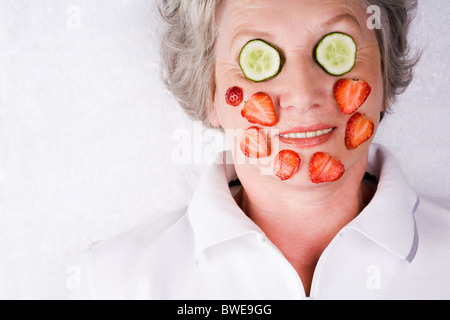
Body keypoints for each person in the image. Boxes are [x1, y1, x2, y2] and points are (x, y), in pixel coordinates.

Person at [71, 0, 450, 299]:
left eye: (337, 49)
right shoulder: (113, 281)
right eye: (259, 61)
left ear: (383, 75)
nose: (303, 96)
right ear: (211, 94)